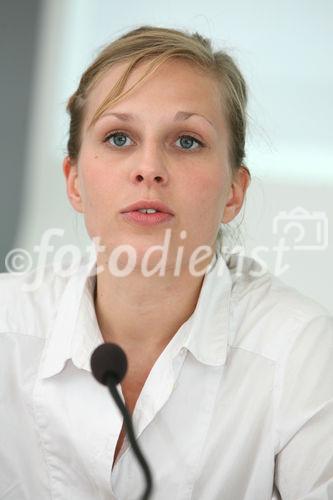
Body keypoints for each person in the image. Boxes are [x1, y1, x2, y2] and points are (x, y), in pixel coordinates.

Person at [0, 25, 332, 500]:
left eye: (187, 141)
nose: (149, 167)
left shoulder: (302, 348)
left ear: (234, 191)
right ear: (74, 182)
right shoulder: (5, 323)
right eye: (119, 138)